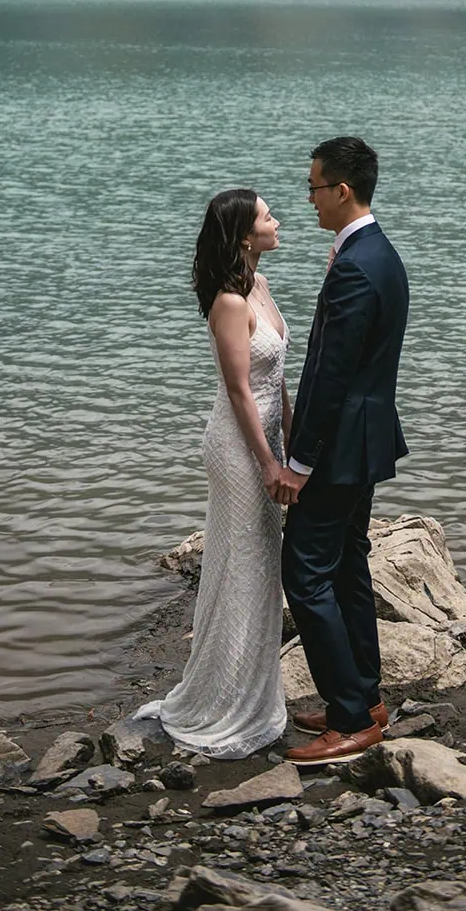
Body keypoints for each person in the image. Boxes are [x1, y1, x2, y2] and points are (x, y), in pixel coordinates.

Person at [136, 188, 295, 758]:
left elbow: (277, 379)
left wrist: (293, 445)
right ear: (244, 236)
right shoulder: (229, 301)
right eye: (267, 216)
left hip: (268, 439)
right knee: (242, 563)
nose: (278, 221)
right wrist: (269, 461)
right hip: (237, 447)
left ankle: (250, 688)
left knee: (259, 562)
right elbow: (239, 392)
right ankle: (224, 698)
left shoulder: (261, 284)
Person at [278, 136, 410, 766]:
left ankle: (352, 720)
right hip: (367, 440)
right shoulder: (381, 254)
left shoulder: (356, 264)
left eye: (313, 187)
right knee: (349, 565)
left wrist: (298, 462)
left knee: (304, 574)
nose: (308, 199)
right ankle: (363, 696)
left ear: (342, 191)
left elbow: (331, 374)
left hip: (338, 449)